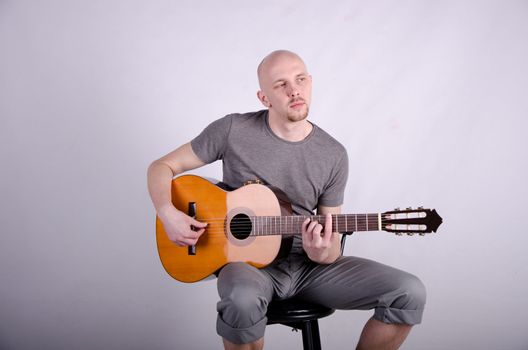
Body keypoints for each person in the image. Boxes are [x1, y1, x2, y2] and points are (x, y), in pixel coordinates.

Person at [147, 50, 426, 350]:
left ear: (310, 83)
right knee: (241, 300)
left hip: (310, 269)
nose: (294, 90)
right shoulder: (232, 130)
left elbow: (330, 247)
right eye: (280, 84)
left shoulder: (333, 154)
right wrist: (167, 212)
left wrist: (320, 251)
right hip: (248, 267)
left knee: (409, 291)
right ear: (263, 97)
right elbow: (161, 167)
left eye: (300, 79)